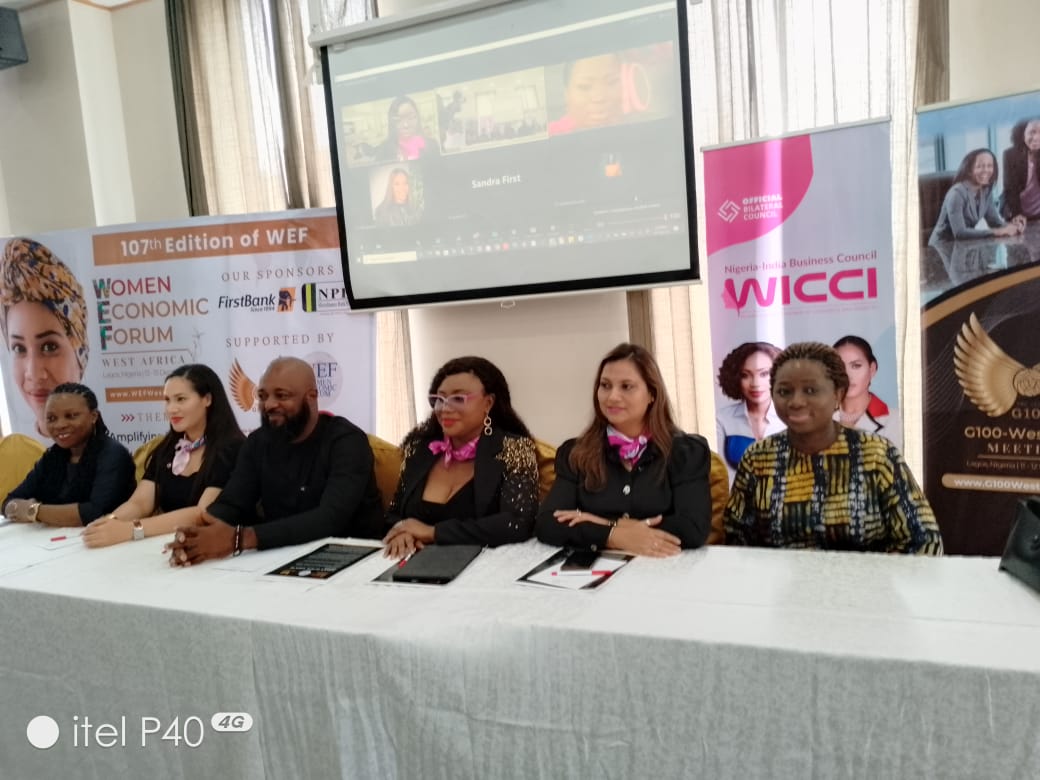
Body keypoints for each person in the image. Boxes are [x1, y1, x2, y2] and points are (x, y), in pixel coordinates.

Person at [724, 342, 943, 554]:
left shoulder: (875, 454)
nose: (796, 402)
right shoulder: (758, 459)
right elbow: (736, 542)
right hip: (781, 579)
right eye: (784, 391)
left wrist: (871, 575)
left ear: (838, 394)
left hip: (866, 579)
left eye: (810, 390)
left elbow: (924, 541)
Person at [165, 357, 383, 565]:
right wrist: (200, 535)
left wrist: (240, 538)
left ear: (311, 396)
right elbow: (232, 504)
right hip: (278, 557)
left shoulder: (346, 442)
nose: (269, 404)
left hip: (353, 557)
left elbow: (329, 519)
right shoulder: (258, 442)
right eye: (263, 396)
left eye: (282, 395)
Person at [536, 343, 713, 555]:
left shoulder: (685, 452)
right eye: (605, 385)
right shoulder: (576, 453)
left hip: (662, 566)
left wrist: (606, 524)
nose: (612, 397)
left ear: (652, 394)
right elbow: (548, 524)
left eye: (626, 386)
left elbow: (693, 528)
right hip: (596, 568)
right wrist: (613, 537)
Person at [381, 357, 539, 559]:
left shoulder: (514, 449)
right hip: (413, 560)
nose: (445, 408)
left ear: (488, 403)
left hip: (483, 565)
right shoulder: (419, 447)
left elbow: (517, 523)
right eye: (440, 399)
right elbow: (394, 513)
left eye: (458, 398)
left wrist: (433, 533)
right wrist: (401, 532)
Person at [81, 364, 245, 548]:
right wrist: (110, 521)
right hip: (169, 544)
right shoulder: (167, 447)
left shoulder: (232, 449)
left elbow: (202, 514)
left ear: (207, 399)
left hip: (219, 549)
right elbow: (140, 503)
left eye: (181, 399)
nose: (171, 409)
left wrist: (132, 530)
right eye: (167, 400)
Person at [4, 383, 134, 526]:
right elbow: (10, 501)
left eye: (71, 416)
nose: (60, 425)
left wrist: (34, 511)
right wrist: (16, 507)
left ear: (93, 416)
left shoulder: (113, 454)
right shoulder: (53, 456)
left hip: (104, 534)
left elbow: (93, 513)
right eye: (51, 418)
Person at [0, 237, 88, 439]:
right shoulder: (15, 450)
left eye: (49, 347)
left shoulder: (106, 450)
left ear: (79, 352)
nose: (33, 374)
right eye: (19, 348)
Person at [715, 341, 784, 483]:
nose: (755, 384)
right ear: (735, 378)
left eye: (764, 374)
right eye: (745, 375)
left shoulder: (793, 418)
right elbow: (720, 474)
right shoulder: (722, 419)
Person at [929, 149, 1025, 242]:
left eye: (989, 166)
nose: (986, 170)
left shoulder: (986, 191)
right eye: (980, 166)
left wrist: (1013, 226)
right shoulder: (956, 193)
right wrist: (997, 232)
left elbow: (994, 222)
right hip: (942, 246)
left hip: (964, 246)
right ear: (969, 170)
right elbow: (959, 233)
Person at [832, 335, 901, 439]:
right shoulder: (817, 419)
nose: (847, 375)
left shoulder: (895, 421)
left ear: (872, 369)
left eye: (856, 366)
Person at [548, 54, 624, 135]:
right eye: (585, 86)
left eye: (611, 82)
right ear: (567, 94)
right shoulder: (552, 134)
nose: (599, 97)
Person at [374, 95, 439, 162]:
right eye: (398, 120)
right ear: (392, 123)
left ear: (418, 118)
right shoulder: (384, 151)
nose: (406, 125)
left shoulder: (432, 145)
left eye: (411, 118)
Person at [1002, 117, 1040, 222]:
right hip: (1016, 212)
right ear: (1023, 133)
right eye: (1032, 132)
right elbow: (1010, 189)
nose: (1036, 137)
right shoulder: (1010, 155)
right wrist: (1017, 214)